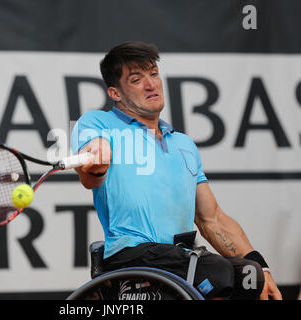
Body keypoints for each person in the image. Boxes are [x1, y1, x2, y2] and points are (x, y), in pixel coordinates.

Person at [71, 41, 282, 300]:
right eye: (137, 79)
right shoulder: (98, 122)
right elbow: (91, 176)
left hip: (180, 260)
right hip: (133, 257)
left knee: (249, 277)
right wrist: (97, 162)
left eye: (153, 74)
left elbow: (211, 219)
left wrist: (262, 267)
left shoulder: (184, 144)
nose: (151, 84)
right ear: (115, 93)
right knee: (215, 272)